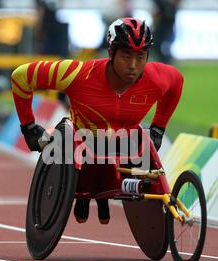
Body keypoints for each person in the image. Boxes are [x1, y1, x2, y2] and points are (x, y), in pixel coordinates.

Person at [11, 17, 184, 225]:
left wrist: (158, 128)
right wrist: (28, 127)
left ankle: (101, 191)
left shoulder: (156, 77)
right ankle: (88, 192)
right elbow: (20, 77)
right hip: (80, 148)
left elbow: (177, 82)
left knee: (137, 145)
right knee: (82, 145)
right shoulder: (77, 74)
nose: (133, 66)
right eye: (126, 56)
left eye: (141, 57)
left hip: (124, 150)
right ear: (111, 53)